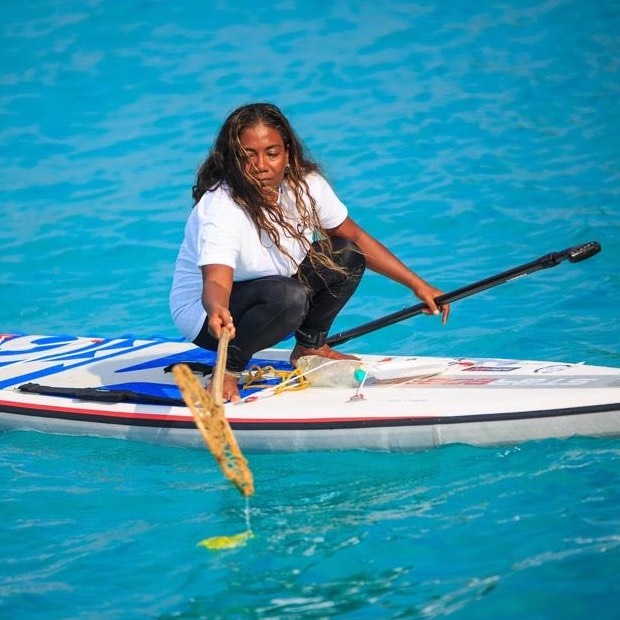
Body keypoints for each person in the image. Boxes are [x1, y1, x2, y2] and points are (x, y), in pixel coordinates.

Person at [170, 103, 449, 402]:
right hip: (207, 316)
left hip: (274, 294)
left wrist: (418, 285)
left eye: (272, 153)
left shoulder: (306, 185)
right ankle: (227, 370)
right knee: (289, 296)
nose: (261, 165)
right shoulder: (221, 207)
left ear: (287, 153)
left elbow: (354, 236)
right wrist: (216, 309)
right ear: (232, 159)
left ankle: (310, 347)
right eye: (248, 156)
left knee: (347, 254)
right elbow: (216, 279)